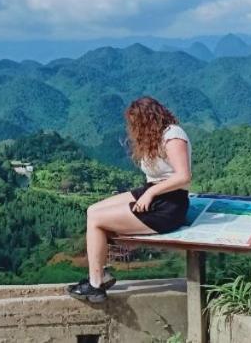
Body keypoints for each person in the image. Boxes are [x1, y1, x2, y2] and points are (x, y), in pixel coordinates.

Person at [68, 96, 191, 303]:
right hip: (153, 192)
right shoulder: (153, 137)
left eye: (136, 122)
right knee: (92, 211)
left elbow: (183, 176)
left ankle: (96, 284)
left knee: (97, 221)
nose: (133, 127)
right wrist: (148, 192)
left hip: (169, 204)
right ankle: (101, 274)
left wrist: (151, 194)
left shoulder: (173, 135)